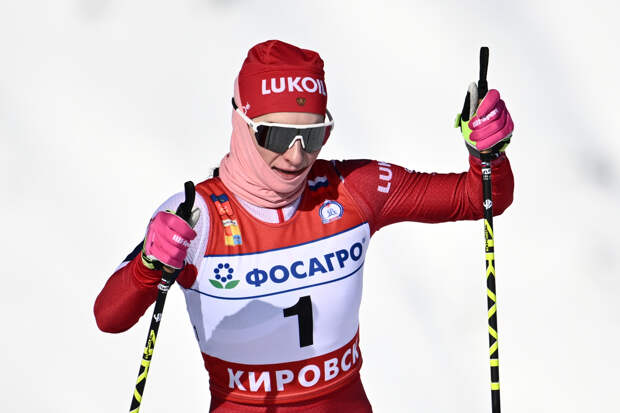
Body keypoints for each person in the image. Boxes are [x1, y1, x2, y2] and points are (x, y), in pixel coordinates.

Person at [94, 39, 514, 412]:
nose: (296, 157)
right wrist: (148, 265)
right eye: (276, 137)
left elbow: (480, 198)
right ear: (242, 124)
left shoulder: (352, 188)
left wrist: (488, 154)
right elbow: (109, 317)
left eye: (313, 136)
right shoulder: (195, 216)